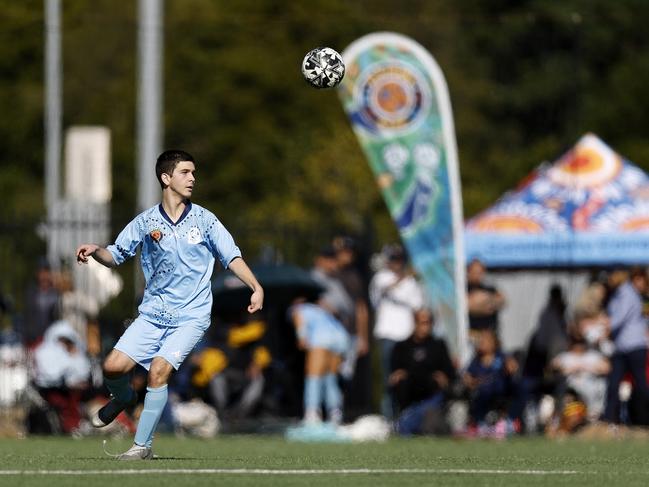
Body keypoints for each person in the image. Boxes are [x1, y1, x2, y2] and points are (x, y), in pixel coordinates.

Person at [75, 150, 264, 460]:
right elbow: (115, 255)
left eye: (193, 172)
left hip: (191, 316)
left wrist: (255, 286)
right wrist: (96, 250)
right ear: (166, 178)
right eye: (185, 172)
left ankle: (142, 446)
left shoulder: (205, 220)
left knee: (158, 372)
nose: (193, 178)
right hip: (152, 315)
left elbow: (232, 256)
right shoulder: (146, 221)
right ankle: (123, 398)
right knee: (112, 367)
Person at [369, 243, 424, 418]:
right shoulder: (381, 277)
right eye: (393, 259)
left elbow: (418, 306)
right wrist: (405, 276)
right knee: (389, 379)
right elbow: (385, 291)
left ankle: (406, 417)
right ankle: (388, 418)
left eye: (399, 259)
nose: (397, 263)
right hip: (388, 335)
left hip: (407, 335)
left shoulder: (411, 282)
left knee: (407, 379)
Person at [389, 308, 455, 435]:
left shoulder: (438, 346)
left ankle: (408, 423)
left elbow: (449, 373)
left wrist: (443, 377)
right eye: (421, 322)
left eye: (428, 323)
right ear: (415, 323)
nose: (424, 327)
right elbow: (395, 374)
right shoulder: (402, 347)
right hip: (409, 395)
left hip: (432, 396)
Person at [289, 298, 350, 425]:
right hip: (341, 338)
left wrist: (301, 337)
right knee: (330, 378)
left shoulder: (298, 309)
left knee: (313, 377)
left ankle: (312, 413)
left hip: (322, 339)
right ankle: (335, 413)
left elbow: (299, 323)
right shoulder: (318, 309)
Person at [602, 266, 649, 424]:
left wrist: (602, 330)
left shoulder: (628, 293)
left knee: (639, 385)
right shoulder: (623, 293)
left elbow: (617, 319)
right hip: (624, 346)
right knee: (616, 384)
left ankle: (613, 419)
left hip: (633, 346)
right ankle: (610, 419)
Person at [332, 236, 371, 419]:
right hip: (332, 332)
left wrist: (362, 336)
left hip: (349, 333)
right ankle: (332, 411)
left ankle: (340, 412)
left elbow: (361, 308)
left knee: (345, 375)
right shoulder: (330, 274)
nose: (348, 256)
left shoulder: (354, 277)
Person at [466, 258, 505, 337]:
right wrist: (485, 304)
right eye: (474, 272)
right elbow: (467, 305)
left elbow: (502, 300)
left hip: (489, 335)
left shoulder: (489, 288)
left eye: (479, 272)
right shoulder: (463, 289)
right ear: (468, 271)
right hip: (472, 334)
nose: (477, 275)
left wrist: (481, 302)